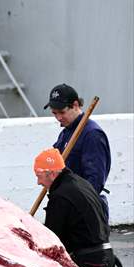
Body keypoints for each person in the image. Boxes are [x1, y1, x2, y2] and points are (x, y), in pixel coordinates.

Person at [34, 148, 115, 267]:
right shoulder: (80, 183)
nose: (39, 182)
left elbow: (52, 238)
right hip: (106, 256)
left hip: (88, 262)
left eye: (39, 176)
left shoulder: (60, 196)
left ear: (52, 174)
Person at [44, 83, 111, 217]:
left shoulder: (92, 134)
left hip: (83, 212)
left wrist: (73, 204)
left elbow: (94, 181)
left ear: (75, 105)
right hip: (67, 205)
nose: (58, 118)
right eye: (54, 113)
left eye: (62, 112)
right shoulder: (66, 132)